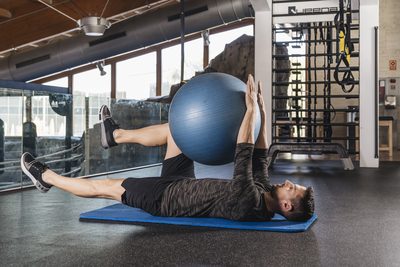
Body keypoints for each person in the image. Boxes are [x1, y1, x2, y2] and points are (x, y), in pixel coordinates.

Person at [21, 75, 314, 222]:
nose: (288, 182)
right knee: (180, 131)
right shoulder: (264, 193)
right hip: (184, 183)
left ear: (286, 206)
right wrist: (261, 109)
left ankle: (45, 177)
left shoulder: (250, 203)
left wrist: (250, 110)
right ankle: (116, 135)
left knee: (106, 186)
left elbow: (243, 151)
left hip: (166, 199)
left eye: (293, 189)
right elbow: (260, 157)